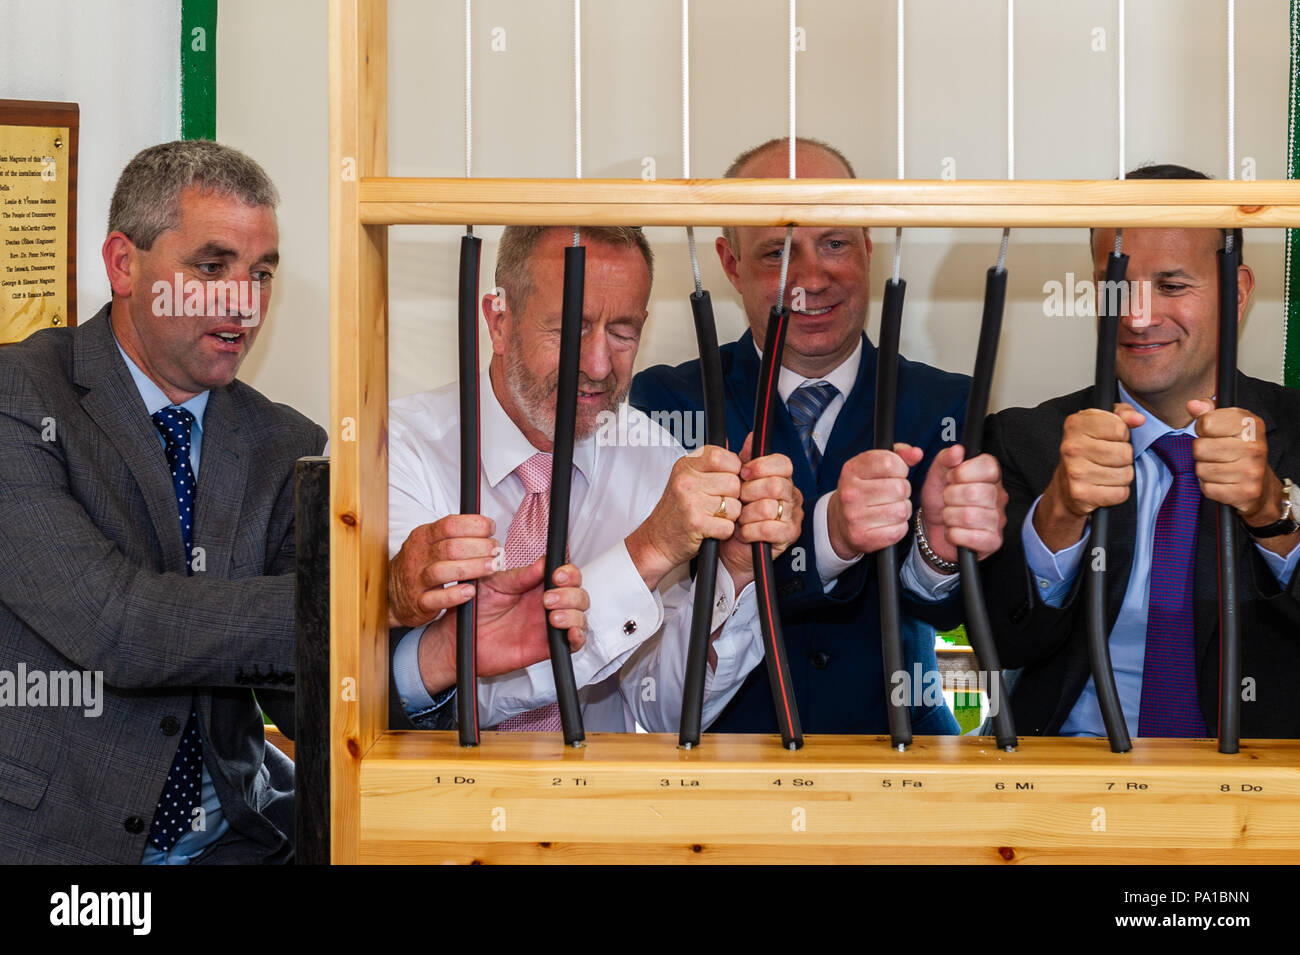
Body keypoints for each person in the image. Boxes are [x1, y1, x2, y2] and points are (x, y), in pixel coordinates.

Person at [0, 140, 327, 863]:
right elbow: (117, 626)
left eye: (262, 273)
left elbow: (301, 692)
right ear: (123, 264)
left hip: (236, 842)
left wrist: (426, 645)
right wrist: (349, 595)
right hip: (56, 847)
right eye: (212, 267)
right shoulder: (19, 399)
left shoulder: (285, 441)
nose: (245, 302)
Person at [631, 137, 1008, 735]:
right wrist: (828, 535)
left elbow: (961, 609)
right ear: (729, 263)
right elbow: (662, 610)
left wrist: (936, 552)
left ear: (867, 246)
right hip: (724, 772)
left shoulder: (949, 404)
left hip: (902, 767)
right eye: (777, 252)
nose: (810, 278)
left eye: (834, 243)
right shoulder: (665, 405)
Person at [388, 225, 802, 732]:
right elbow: (444, 693)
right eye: (569, 329)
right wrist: (647, 552)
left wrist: (734, 575)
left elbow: (662, 713)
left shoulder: (655, 460)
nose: (599, 365)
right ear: (498, 321)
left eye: (623, 332)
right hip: (434, 800)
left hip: (600, 804)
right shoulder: (396, 450)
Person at [981, 163, 1300, 738]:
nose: (1136, 315)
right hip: (1069, 777)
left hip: (1259, 789)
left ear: (1238, 291)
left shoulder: (1297, 433)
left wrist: (1276, 516)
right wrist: (1058, 515)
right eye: (1116, 286)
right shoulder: (1026, 438)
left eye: (1173, 286)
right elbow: (1000, 643)